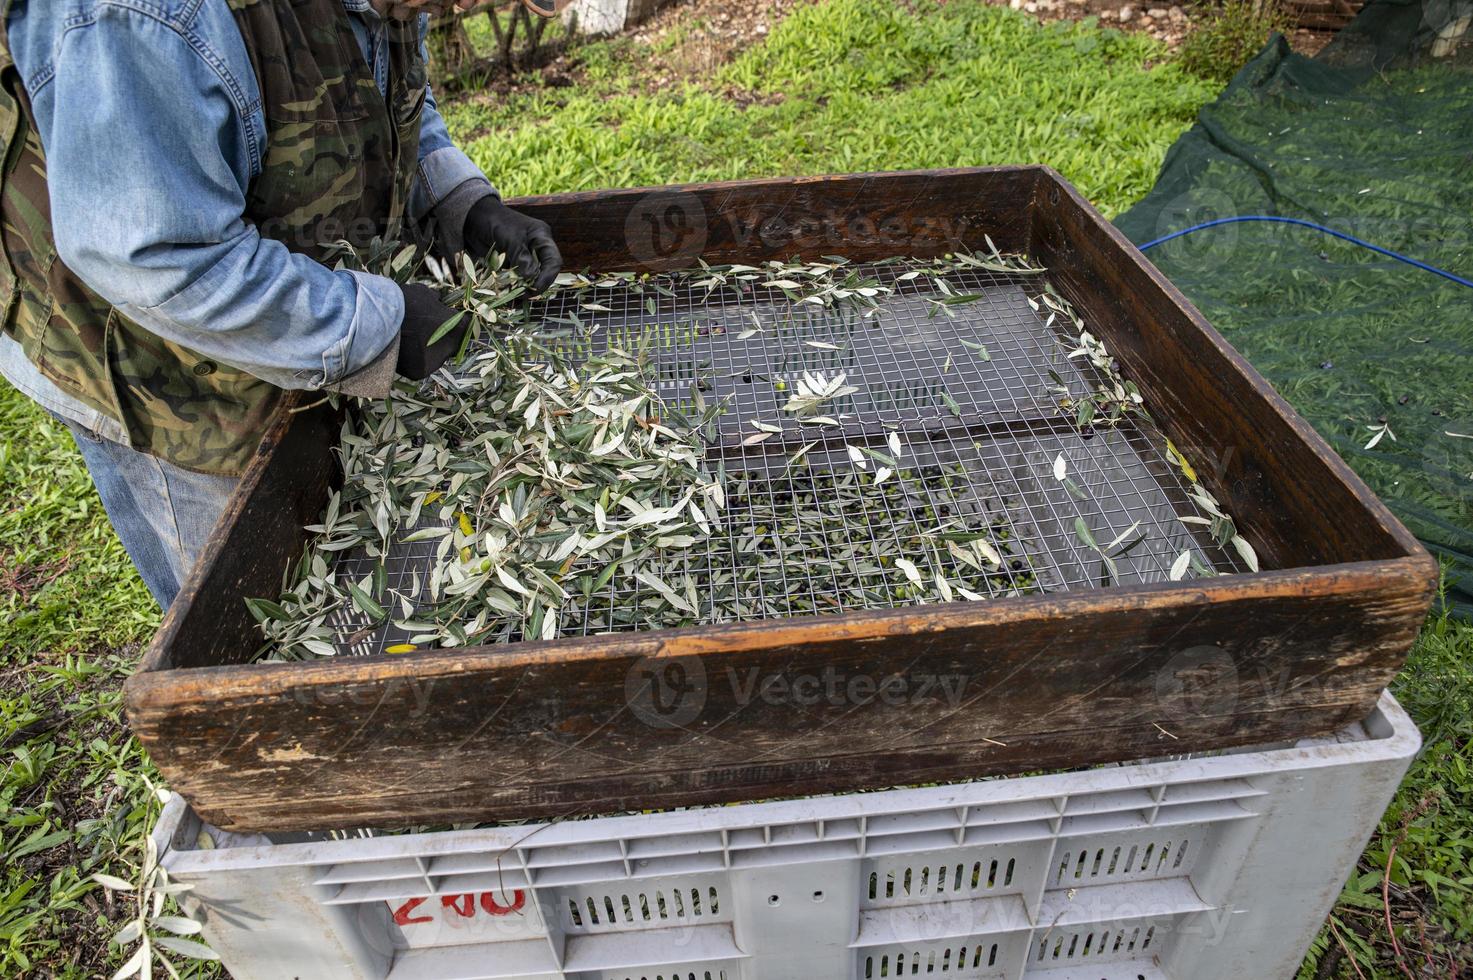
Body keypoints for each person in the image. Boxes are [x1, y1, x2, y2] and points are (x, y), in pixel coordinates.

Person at [0, 0, 562, 610]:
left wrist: (457, 197)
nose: (460, 9)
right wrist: (373, 323)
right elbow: (156, 255)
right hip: (159, 360)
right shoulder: (143, 17)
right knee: (253, 619)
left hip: (264, 289)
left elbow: (388, 87)